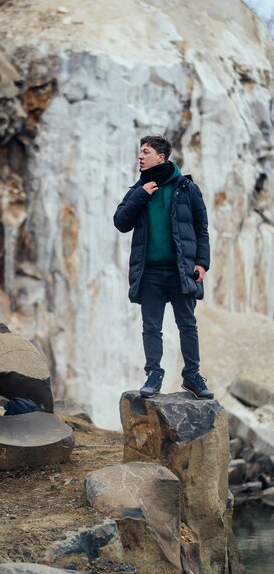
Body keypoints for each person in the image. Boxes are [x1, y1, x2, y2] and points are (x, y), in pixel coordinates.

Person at [113, 134, 213, 399]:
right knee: (151, 327)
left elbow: (201, 227)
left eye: (145, 152)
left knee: (188, 325)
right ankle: (153, 375)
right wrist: (141, 196)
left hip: (182, 270)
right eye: (140, 152)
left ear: (161, 157)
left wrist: (202, 263)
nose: (140, 156)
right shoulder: (139, 189)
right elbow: (121, 222)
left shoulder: (186, 188)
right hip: (151, 273)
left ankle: (192, 376)